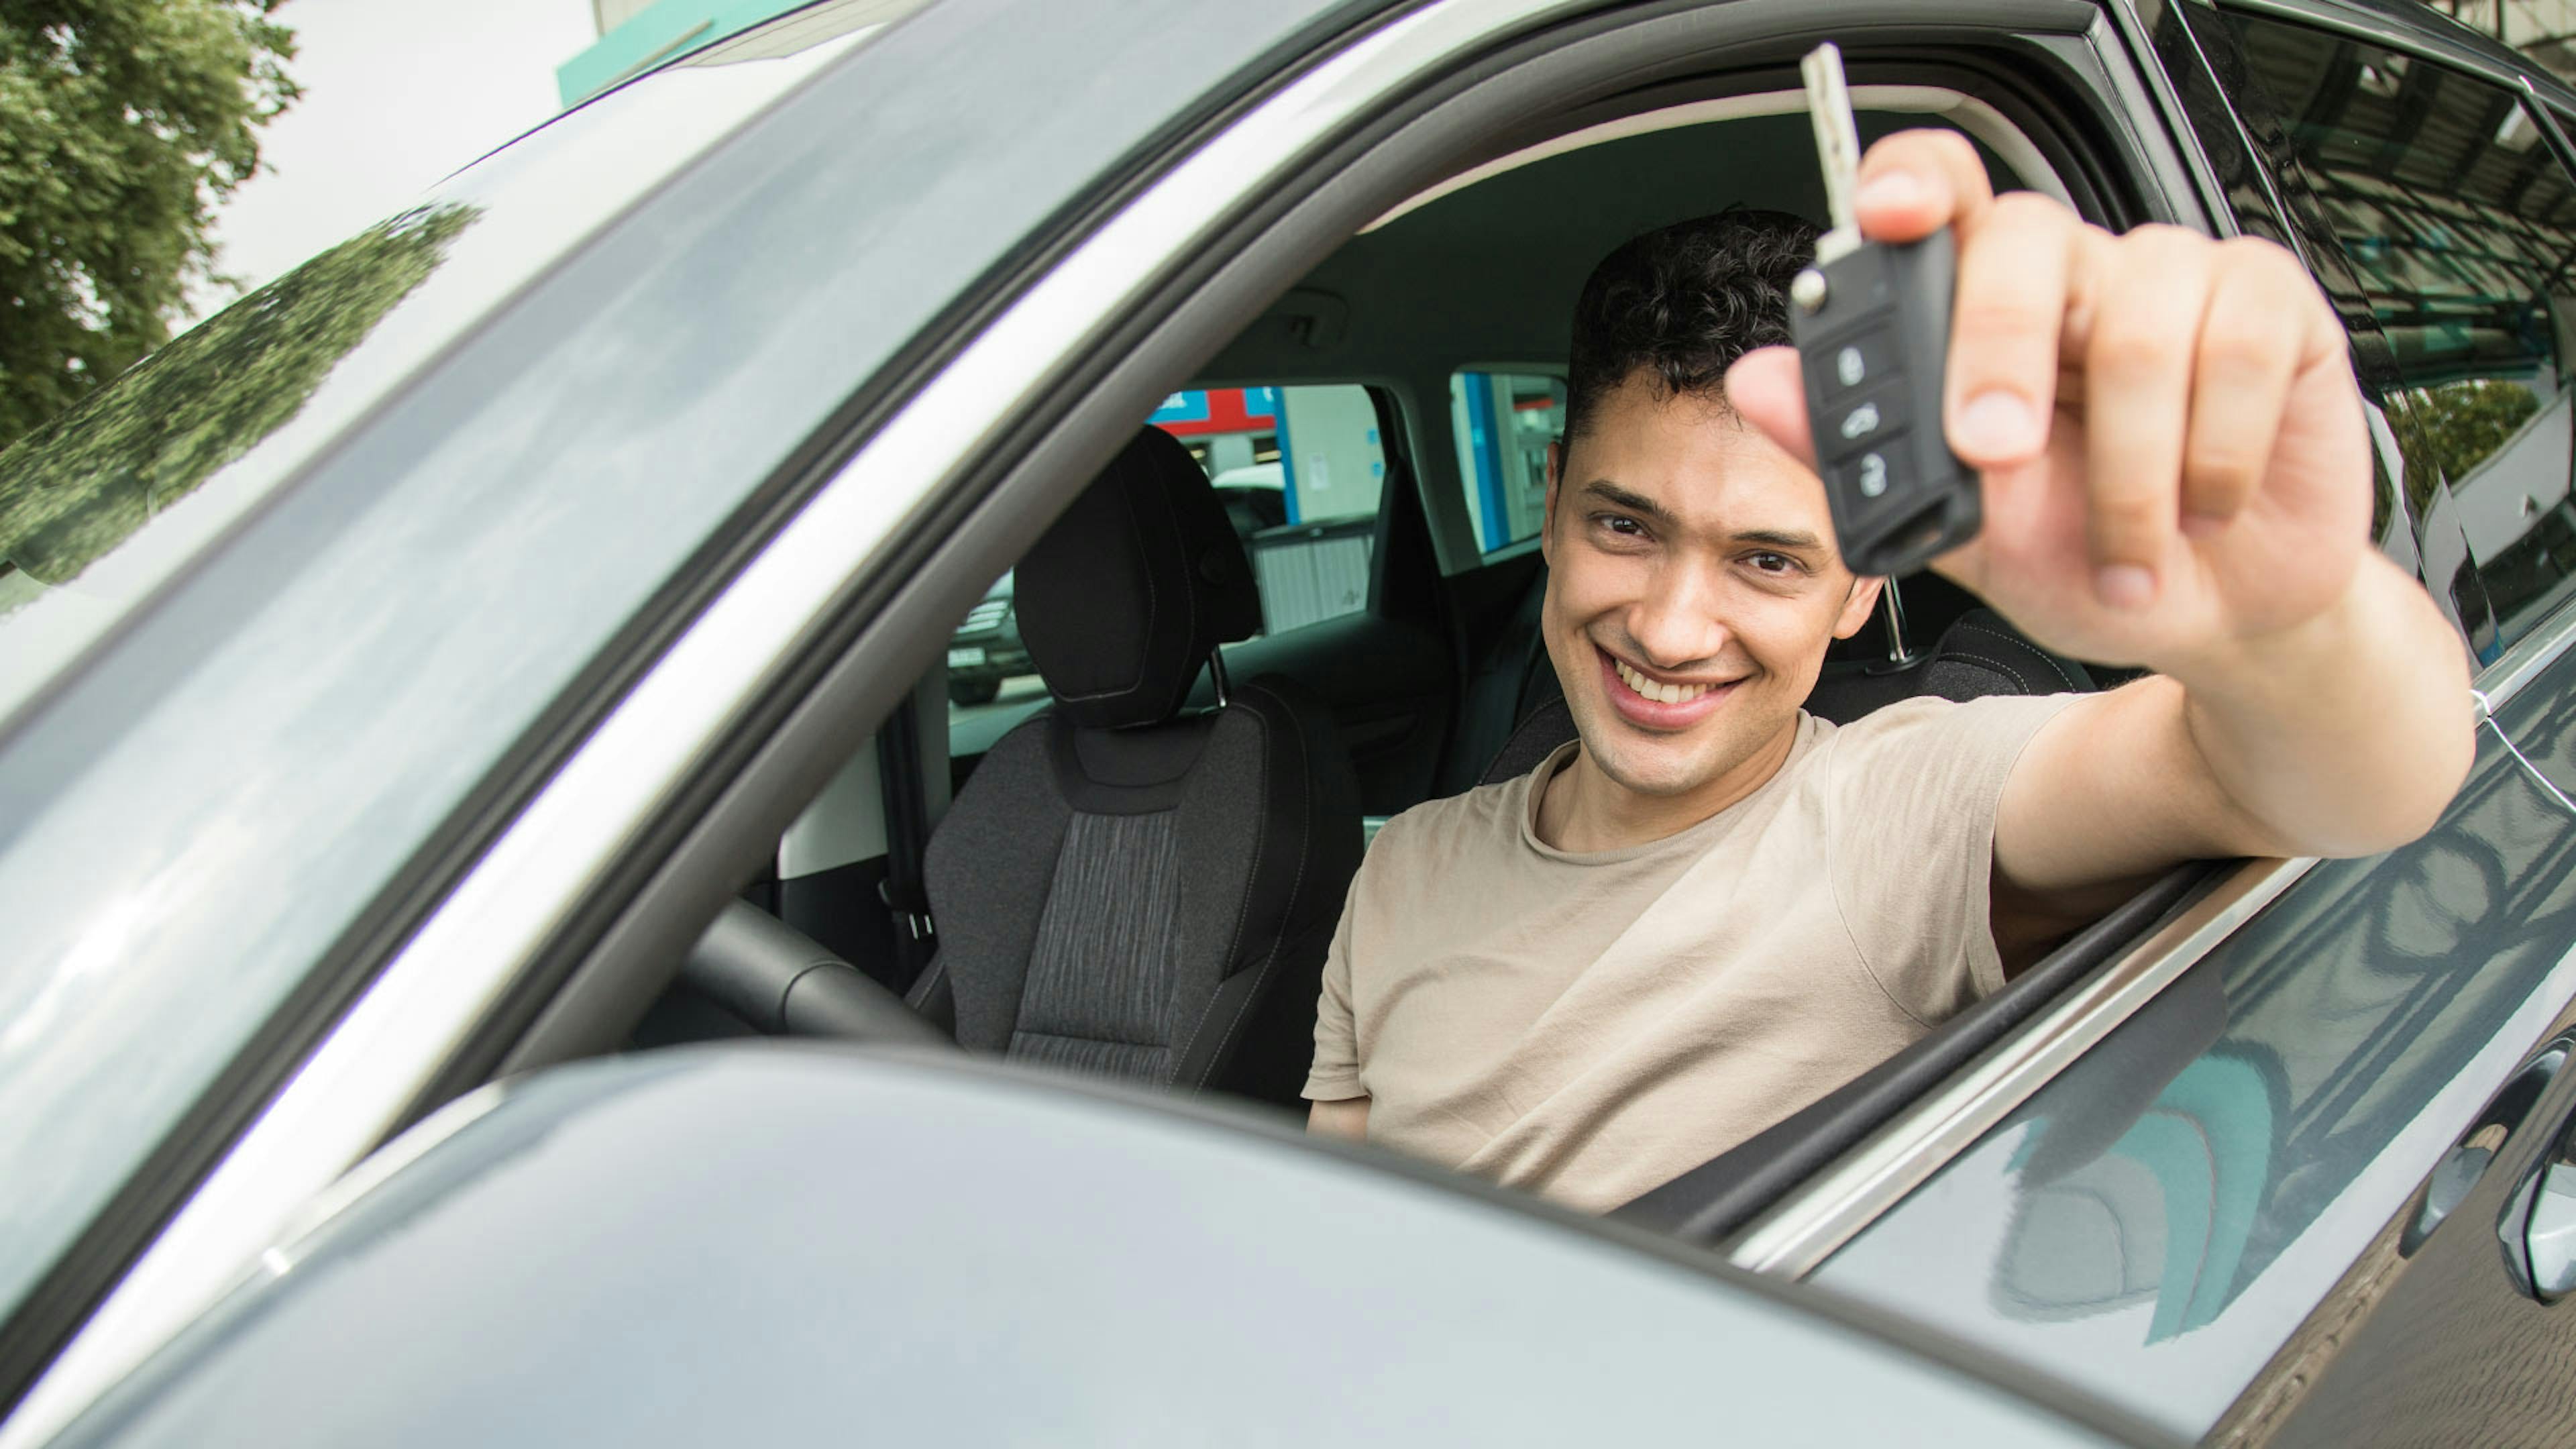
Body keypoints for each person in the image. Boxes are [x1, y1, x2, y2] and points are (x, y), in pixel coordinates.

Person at [1301, 130, 2474, 1213]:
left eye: (1767, 559)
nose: (1668, 629)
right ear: (1552, 504)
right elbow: (1322, 1238)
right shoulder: (1401, 866)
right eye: (1627, 528)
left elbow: (2334, 780)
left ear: (1863, 582)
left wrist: (2279, 610)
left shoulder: (1894, 816)